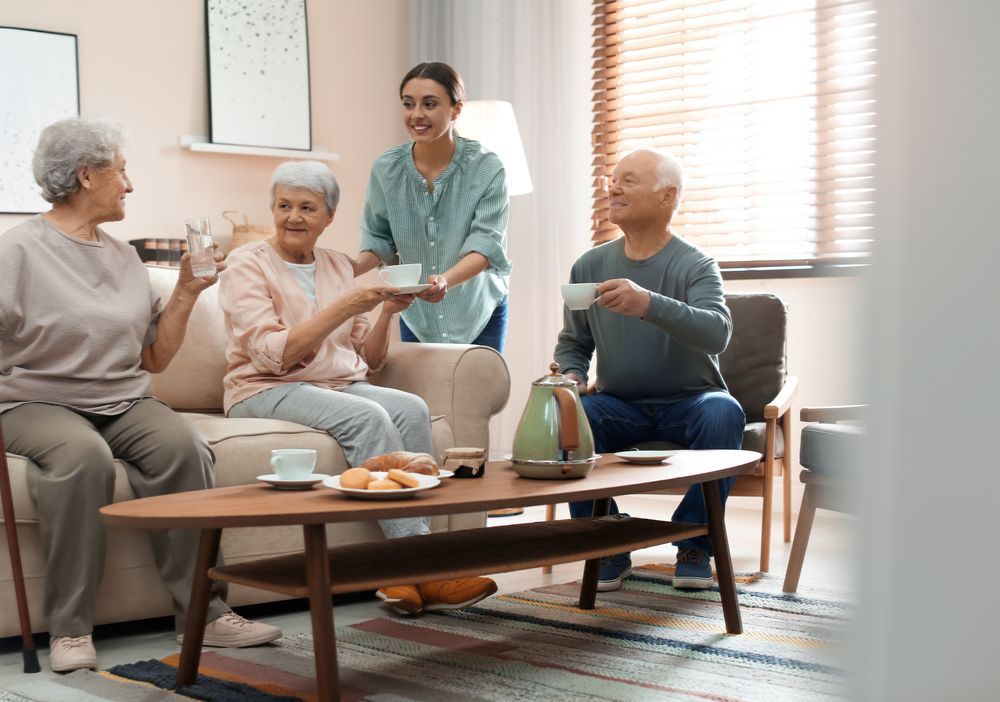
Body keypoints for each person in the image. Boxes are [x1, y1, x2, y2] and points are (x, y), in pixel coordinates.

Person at [0, 117, 282, 674]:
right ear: (86, 175)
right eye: (122, 171)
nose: (130, 184)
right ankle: (71, 628)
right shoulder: (18, 252)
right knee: (82, 458)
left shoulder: (123, 256)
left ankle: (204, 613)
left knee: (185, 447)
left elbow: (154, 358)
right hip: (35, 402)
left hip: (123, 399)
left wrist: (185, 292)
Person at [219, 160, 498, 615]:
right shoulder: (246, 265)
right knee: (366, 415)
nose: (293, 217)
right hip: (264, 388)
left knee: (409, 408)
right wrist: (348, 303)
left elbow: (366, 361)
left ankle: (407, 575)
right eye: (284, 205)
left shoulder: (335, 265)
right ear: (271, 209)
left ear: (329, 217)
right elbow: (274, 356)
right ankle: (421, 567)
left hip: (335, 383)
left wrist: (388, 311)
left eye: (307, 208)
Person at [553, 147, 746, 592]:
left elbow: (717, 332)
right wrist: (573, 375)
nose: (614, 187)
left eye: (630, 180)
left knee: (725, 412)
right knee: (566, 414)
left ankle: (696, 542)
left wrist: (649, 305)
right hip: (619, 403)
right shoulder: (590, 265)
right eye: (613, 179)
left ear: (667, 196)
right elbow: (573, 343)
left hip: (691, 401)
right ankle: (607, 543)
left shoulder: (695, 264)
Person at [353, 61, 512, 352]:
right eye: (408, 104)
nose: (416, 115)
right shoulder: (386, 169)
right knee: (422, 397)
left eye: (429, 104)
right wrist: (345, 269)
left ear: (456, 109)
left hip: (477, 309)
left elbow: (486, 245)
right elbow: (378, 240)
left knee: (478, 397)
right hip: (418, 315)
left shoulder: (487, 168)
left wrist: (445, 281)